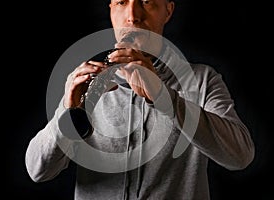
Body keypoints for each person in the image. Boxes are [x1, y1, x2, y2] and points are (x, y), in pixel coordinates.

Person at [25, 0, 255, 199]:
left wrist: (165, 99)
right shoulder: (87, 85)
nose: (133, 16)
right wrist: (67, 112)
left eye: (146, 1)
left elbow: (240, 157)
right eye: (121, 3)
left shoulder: (202, 80)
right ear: (111, 10)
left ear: (168, 10)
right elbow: (38, 171)